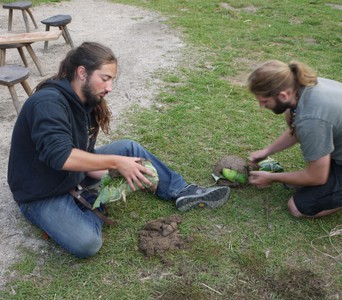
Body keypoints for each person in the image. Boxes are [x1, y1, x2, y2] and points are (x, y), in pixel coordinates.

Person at [7, 42, 230, 258]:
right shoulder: (48, 103)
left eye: (112, 80)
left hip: (70, 174)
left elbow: (84, 150)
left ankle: (182, 190)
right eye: (105, 79)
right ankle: (85, 202)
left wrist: (107, 170)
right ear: (82, 72)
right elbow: (60, 156)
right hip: (41, 191)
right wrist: (114, 164)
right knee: (87, 244)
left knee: (128, 149)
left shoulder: (86, 98)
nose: (110, 88)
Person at [247, 60, 342, 218]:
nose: (261, 106)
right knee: (291, 115)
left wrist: (271, 178)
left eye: (264, 101)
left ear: (283, 95)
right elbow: (298, 128)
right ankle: (338, 178)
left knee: (297, 208)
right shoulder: (301, 86)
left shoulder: (311, 118)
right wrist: (267, 151)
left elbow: (317, 177)